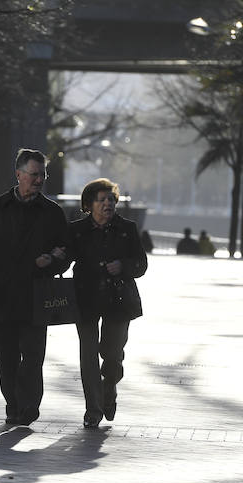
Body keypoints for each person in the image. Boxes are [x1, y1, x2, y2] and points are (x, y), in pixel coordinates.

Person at [0, 149, 68, 427]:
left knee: (32, 357)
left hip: (36, 296)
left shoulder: (52, 212)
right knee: (6, 358)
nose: (39, 180)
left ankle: (29, 406)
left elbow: (65, 251)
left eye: (43, 175)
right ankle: (13, 403)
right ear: (18, 175)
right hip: (1, 295)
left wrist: (53, 260)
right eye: (34, 174)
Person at [67, 178, 147, 429]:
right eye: (101, 200)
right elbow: (65, 259)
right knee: (88, 356)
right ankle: (93, 408)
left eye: (111, 199)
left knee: (112, 354)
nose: (107, 204)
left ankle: (109, 386)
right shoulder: (77, 230)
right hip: (85, 299)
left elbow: (141, 265)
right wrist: (52, 259)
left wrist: (123, 266)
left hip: (118, 300)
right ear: (89, 204)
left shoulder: (127, 228)